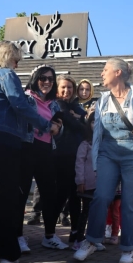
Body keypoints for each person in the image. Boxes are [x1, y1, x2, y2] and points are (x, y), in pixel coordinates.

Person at [0, 42, 60, 263]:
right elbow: (20, 105)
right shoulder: (6, 74)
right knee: (8, 195)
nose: (17, 64)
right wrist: (46, 125)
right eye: (16, 59)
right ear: (6, 56)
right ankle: (7, 253)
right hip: (4, 138)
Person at [73, 58, 133, 263]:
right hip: (108, 154)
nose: (102, 74)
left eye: (105, 70)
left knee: (130, 203)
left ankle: (128, 248)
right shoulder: (103, 99)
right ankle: (92, 241)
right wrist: (96, 161)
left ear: (119, 72)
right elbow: (98, 134)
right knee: (101, 197)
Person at [16, 65, 69, 252]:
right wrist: (50, 126)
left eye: (51, 79)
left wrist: (59, 127)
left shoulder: (55, 104)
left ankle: (49, 236)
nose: (47, 82)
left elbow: (58, 132)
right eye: (43, 78)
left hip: (47, 150)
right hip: (26, 148)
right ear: (35, 78)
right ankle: (18, 237)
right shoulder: (26, 98)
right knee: (21, 195)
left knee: (49, 194)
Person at [54, 74, 87, 242]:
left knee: (75, 196)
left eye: (70, 87)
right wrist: (80, 120)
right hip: (61, 156)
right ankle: (50, 232)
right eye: (63, 87)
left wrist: (81, 118)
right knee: (60, 194)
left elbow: (89, 125)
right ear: (57, 89)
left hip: (76, 156)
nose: (67, 90)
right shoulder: (57, 105)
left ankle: (75, 232)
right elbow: (78, 125)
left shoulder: (76, 107)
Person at [73, 115, 98, 249]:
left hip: (102, 184)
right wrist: (80, 181)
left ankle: (94, 239)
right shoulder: (85, 144)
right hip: (88, 183)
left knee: (98, 213)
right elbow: (79, 163)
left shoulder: (106, 142)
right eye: (93, 122)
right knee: (85, 212)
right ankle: (79, 239)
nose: (95, 125)